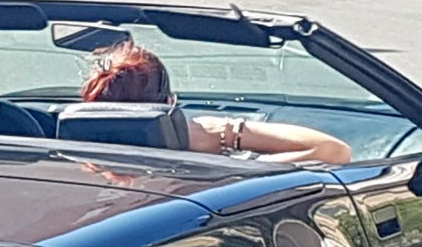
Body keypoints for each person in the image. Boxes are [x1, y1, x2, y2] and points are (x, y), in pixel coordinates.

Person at [81, 42, 353, 165]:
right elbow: (333, 150)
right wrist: (225, 132)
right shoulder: (194, 172)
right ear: (170, 103)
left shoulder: (67, 152)